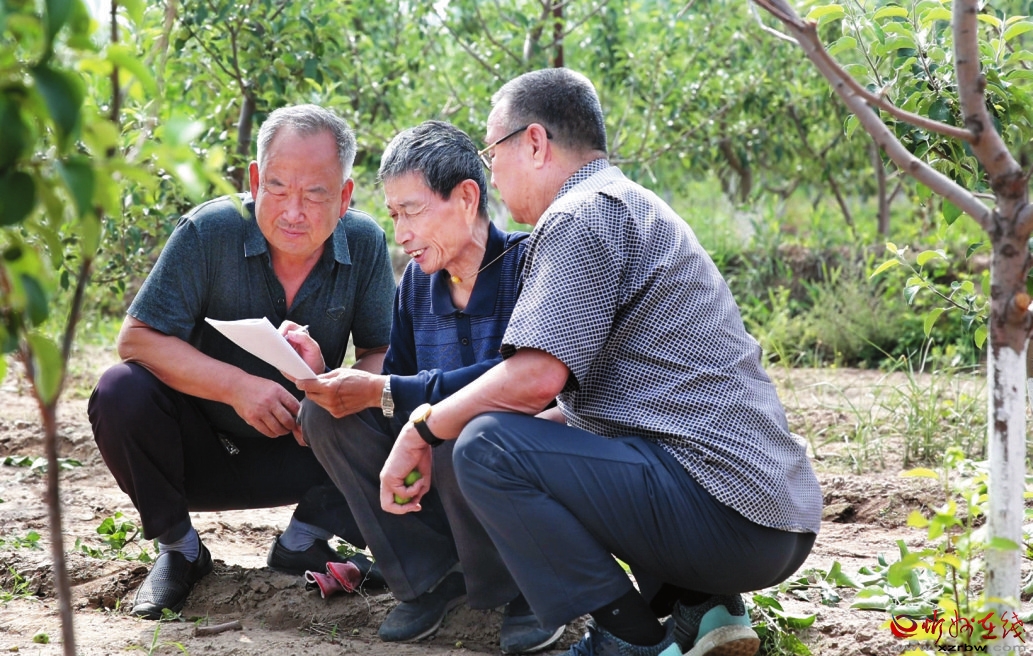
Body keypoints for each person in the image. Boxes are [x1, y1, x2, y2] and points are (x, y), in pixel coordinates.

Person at [379, 69, 823, 656]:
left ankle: (625, 639)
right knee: (532, 437)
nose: (492, 174)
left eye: (492, 153)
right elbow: (597, 406)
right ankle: (701, 608)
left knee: (486, 448)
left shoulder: (580, 214)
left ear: (534, 143)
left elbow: (535, 379)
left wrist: (421, 428)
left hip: (726, 515)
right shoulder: (626, 203)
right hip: (769, 515)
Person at [87, 104, 395, 620]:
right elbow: (136, 340)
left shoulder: (364, 243)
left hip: (307, 452)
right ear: (254, 181)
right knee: (120, 391)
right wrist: (236, 386)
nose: (293, 211)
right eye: (277, 187)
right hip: (198, 454)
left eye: (315, 194)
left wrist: (328, 392)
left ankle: (305, 539)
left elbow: (381, 352)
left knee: (396, 395)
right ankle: (180, 549)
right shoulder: (208, 232)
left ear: (344, 197)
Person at [287, 120, 564, 654]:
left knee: (467, 424)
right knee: (324, 415)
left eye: (412, 211)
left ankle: (526, 586)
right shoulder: (417, 282)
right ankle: (429, 578)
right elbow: (401, 385)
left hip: (523, 482)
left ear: (467, 197)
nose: (401, 234)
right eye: (394, 215)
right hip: (440, 475)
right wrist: (325, 376)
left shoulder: (532, 264)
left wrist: (395, 396)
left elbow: (528, 384)